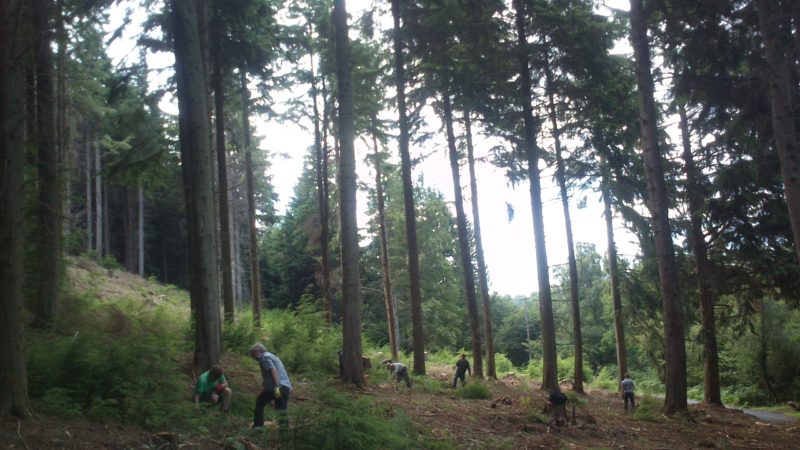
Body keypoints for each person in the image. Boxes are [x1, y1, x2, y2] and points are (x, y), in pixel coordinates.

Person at [250, 342, 292, 428]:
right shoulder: (271, 356)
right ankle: (285, 435)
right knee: (281, 412)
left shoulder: (264, 357)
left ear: (257, 352)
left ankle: (258, 426)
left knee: (259, 402)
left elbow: (273, 370)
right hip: (285, 388)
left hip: (278, 387)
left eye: (253, 354)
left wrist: (276, 387)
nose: (253, 357)